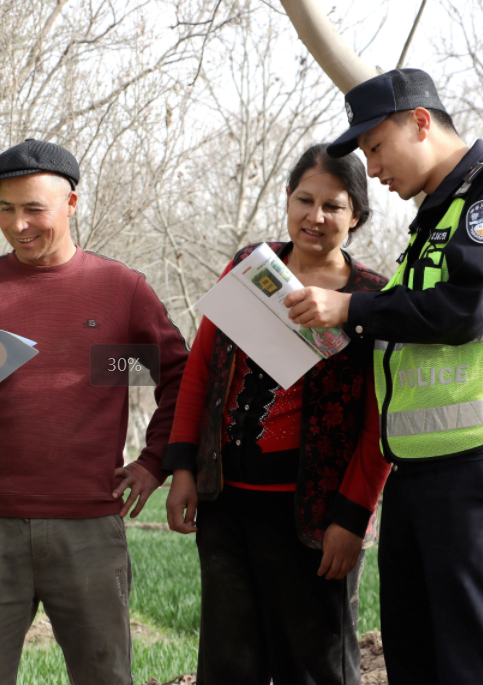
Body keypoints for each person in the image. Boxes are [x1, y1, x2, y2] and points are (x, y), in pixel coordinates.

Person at [287, 68, 483, 685]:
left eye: (376, 147)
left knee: (474, 661)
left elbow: (467, 307)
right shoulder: (430, 224)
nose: (374, 168)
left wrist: (351, 309)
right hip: (421, 468)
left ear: (420, 122)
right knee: (416, 657)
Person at [0, 138, 188, 685]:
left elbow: (178, 378)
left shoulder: (119, 290)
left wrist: (155, 461)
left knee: (105, 676)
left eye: (33, 209)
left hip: (89, 529)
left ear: (71, 204)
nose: (19, 224)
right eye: (6, 209)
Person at [162, 143, 391, 685]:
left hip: (314, 522)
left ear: (355, 215)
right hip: (228, 508)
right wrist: (183, 469)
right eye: (304, 200)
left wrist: (351, 518)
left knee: (316, 669)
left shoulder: (372, 299)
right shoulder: (251, 265)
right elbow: (202, 370)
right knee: (228, 664)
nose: (315, 217)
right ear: (287, 200)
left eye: (333, 206)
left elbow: (378, 425)